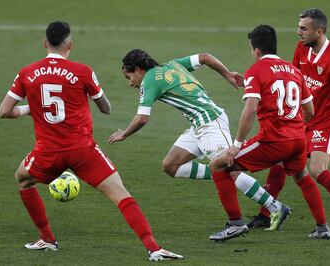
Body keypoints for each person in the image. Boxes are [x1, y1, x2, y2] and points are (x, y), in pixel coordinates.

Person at [0, 21, 182, 261]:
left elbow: (4, 111)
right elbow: (105, 108)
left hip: (47, 152)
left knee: (23, 179)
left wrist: (30, 109)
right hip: (83, 151)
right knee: (121, 195)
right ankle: (154, 248)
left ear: (45, 43)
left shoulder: (27, 72)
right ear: (70, 45)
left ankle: (47, 239)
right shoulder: (82, 71)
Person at [108, 49, 292, 238]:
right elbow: (204, 57)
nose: (130, 83)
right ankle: (220, 175)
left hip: (210, 123)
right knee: (170, 165)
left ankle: (274, 207)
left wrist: (125, 134)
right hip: (198, 124)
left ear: (138, 69)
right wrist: (227, 73)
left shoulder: (149, 80)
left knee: (231, 170)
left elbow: (142, 118)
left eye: (128, 76)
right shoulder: (172, 64)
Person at [250, 8, 330, 232]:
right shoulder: (302, 49)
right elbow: (294, 79)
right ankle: (264, 215)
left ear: (319, 31)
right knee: (279, 159)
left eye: (303, 29)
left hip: (329, 122)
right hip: (305, 119)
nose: (298, 33)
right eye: (299, 28)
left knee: (317, 168)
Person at [209, 24, 330, 240]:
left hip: (274, 140)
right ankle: (323, 227)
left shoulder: (256, 71)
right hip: (298, 139)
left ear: (256, 50)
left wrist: (236, 144)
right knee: (302, 175)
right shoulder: (294, 71)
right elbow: (310, 110)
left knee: (218, 164)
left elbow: (250, 109)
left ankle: (235, 224)